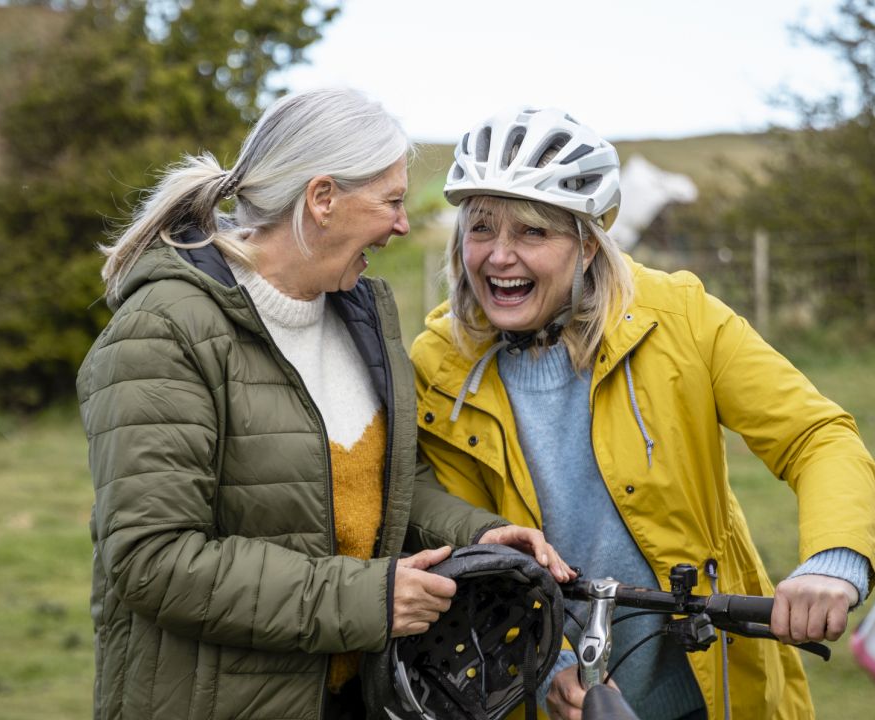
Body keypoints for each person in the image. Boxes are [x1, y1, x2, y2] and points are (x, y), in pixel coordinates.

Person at [76, 89, 573, 720]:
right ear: (322, 199)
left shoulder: (361, 313)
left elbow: (386, 485)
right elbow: (152, 560)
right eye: (391, 201)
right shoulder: (165, 331)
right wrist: (370, 599)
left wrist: (480, 536)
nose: (402, 224)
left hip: (350, 696)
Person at [410, 107, 875, 720]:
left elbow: (817, 436)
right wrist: (548, 670)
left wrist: (834, 561)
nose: (499, 257)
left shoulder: (678, 316)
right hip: (546, 693)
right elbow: (471, 555)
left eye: (532, 233)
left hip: (707, 686)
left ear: (586, 244)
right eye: (480, 230)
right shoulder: (440, 366)